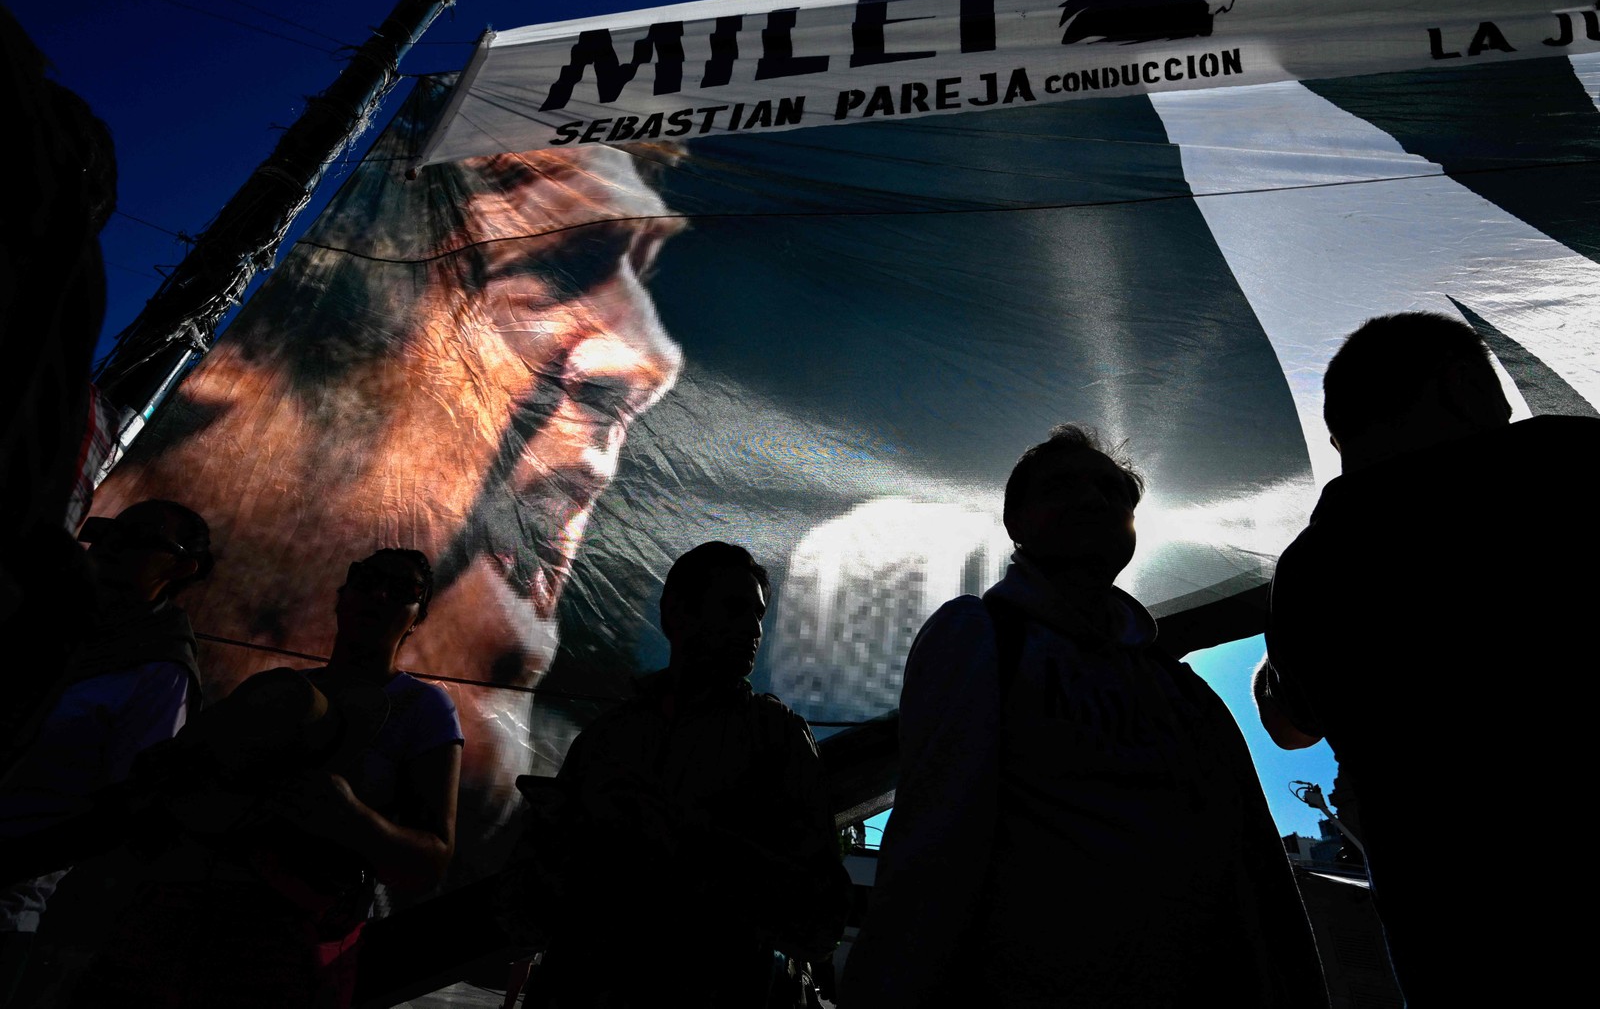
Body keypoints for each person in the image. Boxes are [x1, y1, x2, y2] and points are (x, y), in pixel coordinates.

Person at [90, 78, 685, 845]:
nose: (652, 358)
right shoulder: (72, 652)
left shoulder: (590, 776)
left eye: (640, 265)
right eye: (558, 269)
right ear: (251, 374)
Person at [843, 425, 1324, 1008]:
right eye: (1061, 486)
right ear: (1016, 523)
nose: (1094, 500)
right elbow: (937, 829)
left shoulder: (1183, 688)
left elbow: (1257, 868)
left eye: (1112, 491)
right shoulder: (982, 636)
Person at [1254, 311, 1600, 1004]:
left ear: (1337, 428)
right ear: (1461, 386)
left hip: (1459, 941)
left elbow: (1291, 725)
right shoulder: (1577, 466)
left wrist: (1274, 669)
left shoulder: (1314, 568)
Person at [67, 547, 463, 1009]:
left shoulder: (423, 708)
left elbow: (432, 860)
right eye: (366, 578)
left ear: (417, 617)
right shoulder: (279, 693)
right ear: (342, 595)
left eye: (403, 590)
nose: (378, 594)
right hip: (179, 924)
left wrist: (352, 817)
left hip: (291, 950)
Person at [526, 541, 847, 1007]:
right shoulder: (608, 739)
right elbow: (528, 907)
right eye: (735, 609)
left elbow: (822, 921)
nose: (754, 629)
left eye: (758, 615)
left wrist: (687, 838)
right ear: (676, 615)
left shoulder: (777, 741)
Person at [0, 499, 210, 1005]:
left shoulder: (159, 671)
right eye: (110, 531)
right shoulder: (50, 624)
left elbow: (123, 810)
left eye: (141, 539)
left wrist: (10, 861)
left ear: (182, 568)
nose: (113, 545)